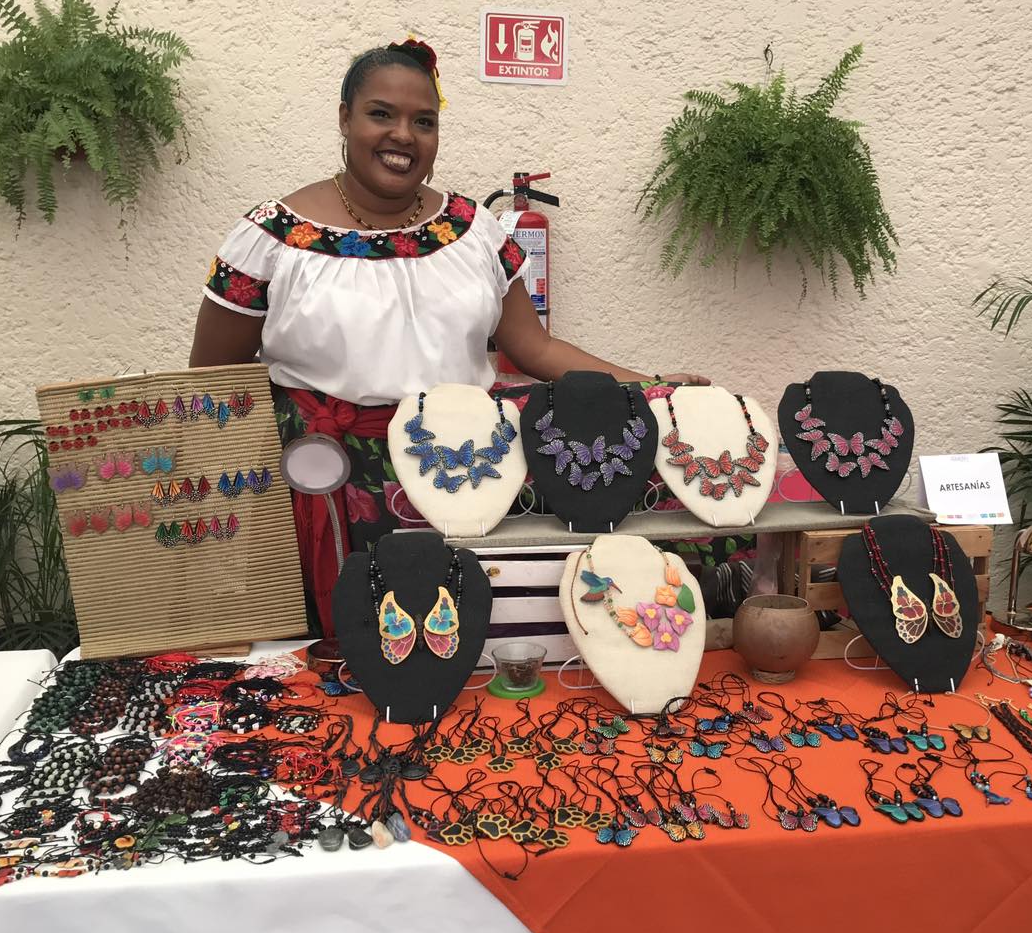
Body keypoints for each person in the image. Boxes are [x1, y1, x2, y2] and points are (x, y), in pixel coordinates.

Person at [189, 38, 705, 633]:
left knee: (466, 637)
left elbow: (534, 348)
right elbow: (213, 382)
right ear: (344, 118)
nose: (403, 135)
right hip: (324, 482)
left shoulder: (473, 230)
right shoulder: (274, 236)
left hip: (467, 472)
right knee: (339, 653)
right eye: (381, 114)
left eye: (423, 121)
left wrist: (653, 386)